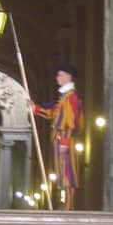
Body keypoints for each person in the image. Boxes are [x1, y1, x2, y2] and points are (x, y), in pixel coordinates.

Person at [30, 63, 84, 210]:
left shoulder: (71, 97)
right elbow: (54, 113)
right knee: (62, 171)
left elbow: (71, 122)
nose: (57, 78)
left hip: (65, 138)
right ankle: (67, 202)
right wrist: (35, 108)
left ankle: (70, 203)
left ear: (68, 77)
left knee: (68, 171)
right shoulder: (64, 98)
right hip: (60, 138)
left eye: (60, 75)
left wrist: (65, 142)